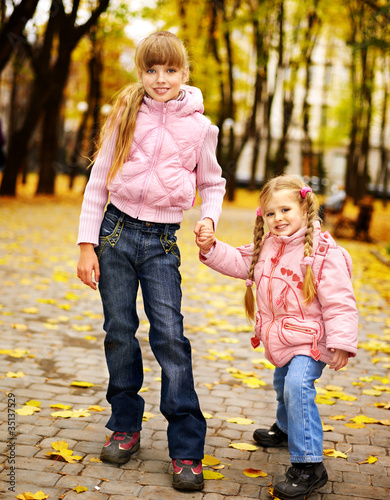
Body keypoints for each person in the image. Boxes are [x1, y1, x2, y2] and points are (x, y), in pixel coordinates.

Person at [77, 31, 226, 491]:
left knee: (170, 338)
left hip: (162, 243)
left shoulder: (201, 128)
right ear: (140, 72)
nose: (160, 79)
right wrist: (87, 244)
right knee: (119, 333)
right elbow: (99, 179)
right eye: (151, 70)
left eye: (170, 70)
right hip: (115, 235)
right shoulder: (125, 112)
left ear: (185, 72)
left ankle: (186, 448)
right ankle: (125, 426)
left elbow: (214, 184)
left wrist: (209, 220)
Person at [196, 175, 358, 500]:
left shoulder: (324, 253)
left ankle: (309, 464)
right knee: (282, 385)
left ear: (304, 208)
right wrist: (211, 247)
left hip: (312, 342)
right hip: (282, 340)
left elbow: (340, 301)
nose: (277, 218)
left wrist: (342, 342)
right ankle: (286, 428)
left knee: (296, 386)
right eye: (270, 213)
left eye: (285, 209)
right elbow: (241, 261)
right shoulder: (268, 245)